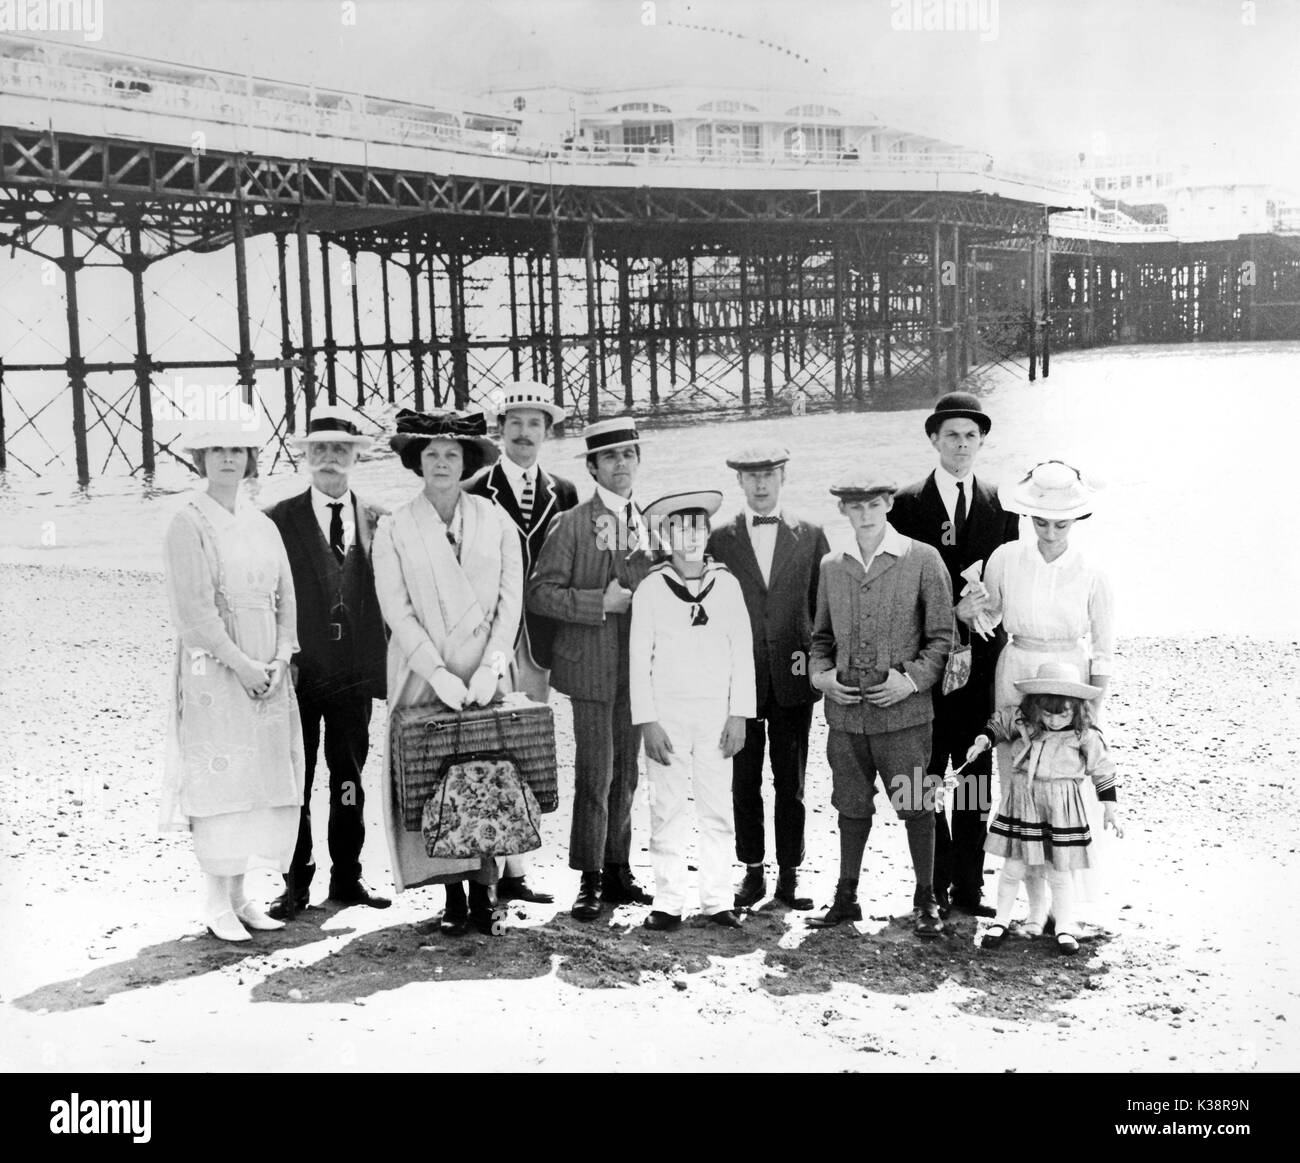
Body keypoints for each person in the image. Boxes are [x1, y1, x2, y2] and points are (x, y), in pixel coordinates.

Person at [371, 409, 524, 936]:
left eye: (451, 454)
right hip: (423, 674)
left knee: (487, 775)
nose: (441, 463)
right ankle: (451, 893)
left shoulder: (496, 519)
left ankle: (486, 892)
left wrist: (492, 667)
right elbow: (397, 611)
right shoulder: (394, 527)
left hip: (486, 673)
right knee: (432, 776)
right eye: (431, 454)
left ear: (467, 462)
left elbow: (511, 604)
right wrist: (436, 673)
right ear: (417, 462)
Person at [161, 419, 305, 942]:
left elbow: (287, 597)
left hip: (267, 663)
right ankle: (215, 901)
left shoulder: (263, 524)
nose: (227, 458)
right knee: (221, 776)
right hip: (215, 668)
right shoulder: (188, 520)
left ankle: (242, 896)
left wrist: (282, 658)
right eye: (215, 450)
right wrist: (242, 665)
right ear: (200, 459)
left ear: (250, 458)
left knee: (259, 778)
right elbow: (195, 612)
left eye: (237, 450)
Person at [806, 474, 953, 938]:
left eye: (873, 504)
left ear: (888, 503)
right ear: (844, 512)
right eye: (856, 506)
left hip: (904, 715)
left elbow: (942, 638)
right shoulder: (832, 565)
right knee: (850, 804)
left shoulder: (923, 558)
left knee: (916, 803)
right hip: (847, 715)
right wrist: (822, 676)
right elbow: (820, 639)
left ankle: (927, 897)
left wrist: (909, 681)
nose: (865, 514)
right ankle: (846, 896)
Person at [890, 392, 1019, 918]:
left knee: (972, 775)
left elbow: (1009, 581)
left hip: (981, 663)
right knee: (921, 775)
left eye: (970, 436)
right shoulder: (905, 504)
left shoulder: (1000, 504)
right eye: (951, 436)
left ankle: (968, 887)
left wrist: (991, 611)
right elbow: (898, 591)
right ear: (933, 440)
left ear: (982, 440)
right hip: (925, 659)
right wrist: (949, 614)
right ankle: (933, 882)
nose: (961, 445)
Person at [263, 405, 390, 919]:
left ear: (356, 457)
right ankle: (295, 881)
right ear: (306, 457)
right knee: (297, 776)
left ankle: (347, 877)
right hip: (300, 672)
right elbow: (266, 595)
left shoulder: (379, 519)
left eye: (341, 449)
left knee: (348, 779)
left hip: (355, 673)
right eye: (320, 449)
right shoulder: (277, 519)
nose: (330, 458)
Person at [526, 415, 655, 920]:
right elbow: (540, 594)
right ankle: (590, 876)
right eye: (609, 457)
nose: (619, 464)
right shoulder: (573, 523)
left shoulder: (652, 520)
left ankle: (619, 867)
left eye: (627, 454)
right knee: (595, 774)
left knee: (628, 773)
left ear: (638, 460)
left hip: (637, 669)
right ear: (592, 466)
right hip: (590, 668)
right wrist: (600, 603)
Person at [465, 379, 578, 905]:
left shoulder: (567, 491)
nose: (525, 433)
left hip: (541, 640)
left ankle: (519, 868)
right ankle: (488, 868)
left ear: (547, 432)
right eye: (516, 424)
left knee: (528, 747)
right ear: (500, 430)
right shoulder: (474, 490)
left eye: (536, 424)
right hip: (490, 639)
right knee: (489, 743)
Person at [706, 443, 828, 911]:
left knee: (791, 782)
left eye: (769, 475)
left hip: (794, 678)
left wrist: (820, 667)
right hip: (740, 680)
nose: (761, 484)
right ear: (740, 482)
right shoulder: (720, 539)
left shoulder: (813, 535)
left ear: (783, 478)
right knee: (743, 779)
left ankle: (790, 875)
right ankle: (752, 871)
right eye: (752, 476)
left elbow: (823, 611)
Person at [631, 490, 755, 931]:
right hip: (666, 715)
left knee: (717, 807)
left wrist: (739, 713)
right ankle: (667, 900)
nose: (690, 536)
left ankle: (718, 898)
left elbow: (743, 652)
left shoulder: (728, 585)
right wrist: (647, 720)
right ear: (664, 534)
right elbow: (638, 658)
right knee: (666, 806)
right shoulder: (650, 588)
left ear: (707, 533)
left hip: (716, 716)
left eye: (698, 527)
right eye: (679, 528)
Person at [966, 661, 1123, 955]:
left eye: (1062, 712)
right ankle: (1001, 920)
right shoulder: (1024, 722)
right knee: (1014, 866)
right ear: (1035, 706)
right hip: (1024, 802)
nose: (1053, 720)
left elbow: (1102, 769)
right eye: (1047, 713)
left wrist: (1110, 809)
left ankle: (1063, 925)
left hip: (1062, 808)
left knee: (1058, 871)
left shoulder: (1085, 735)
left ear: (1076, 707)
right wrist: (982, 740)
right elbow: (998, 725)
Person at [980, 460, 1113, 715]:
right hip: (1017, 665)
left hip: (1070, 670)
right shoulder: (1005, 557)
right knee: (1014, 741)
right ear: (1029, 515)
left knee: (1066, 747)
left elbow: (1103, 648)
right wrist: (969, 611)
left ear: (1076, 517)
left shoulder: (1093, 569)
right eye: (1041, 523)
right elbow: (990, 617)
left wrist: (1094, 704)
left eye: (1061, 524)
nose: (1050, 533)